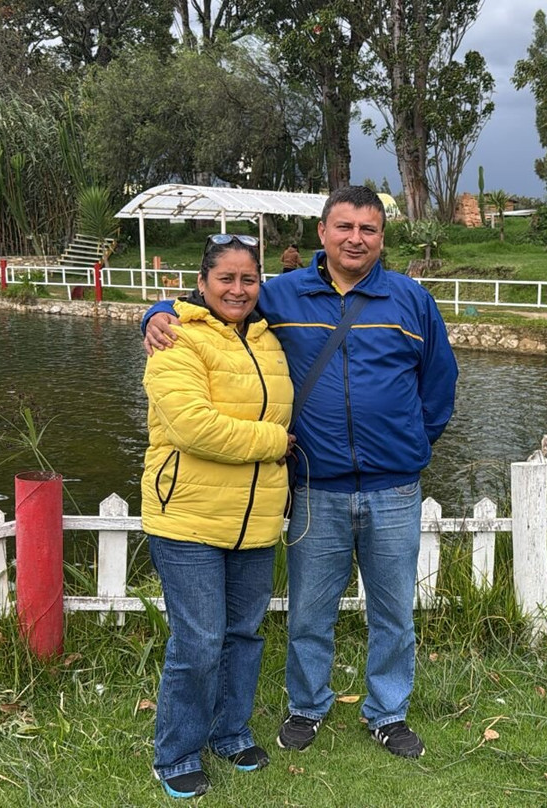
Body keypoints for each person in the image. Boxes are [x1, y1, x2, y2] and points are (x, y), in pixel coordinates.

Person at [143, 186, 458, 761]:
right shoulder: (281, 295)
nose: (355, 238)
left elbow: (439, 387)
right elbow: (214, 308)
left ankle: (387, 711)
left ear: (382, 236)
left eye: (368, 229)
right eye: (344, 227)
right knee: (311, 610)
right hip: (317, 489)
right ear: (323, 232)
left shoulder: (412, 300)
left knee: (393, 611)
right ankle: (307, 705)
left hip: (394, 489)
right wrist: (157, 313)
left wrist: (412, 443)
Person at [142, 233, 295, 799]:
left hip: (255, 520)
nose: (237, 288)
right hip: (188, 518)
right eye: (225, 278)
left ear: (261, 284)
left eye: (248, 278)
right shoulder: (176, 338)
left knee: (243, 634)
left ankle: (229, 730)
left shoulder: (268, 338)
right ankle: (177, 750)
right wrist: (275, 439)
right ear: (202, 283)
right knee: (199, 641)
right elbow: (191, 425)